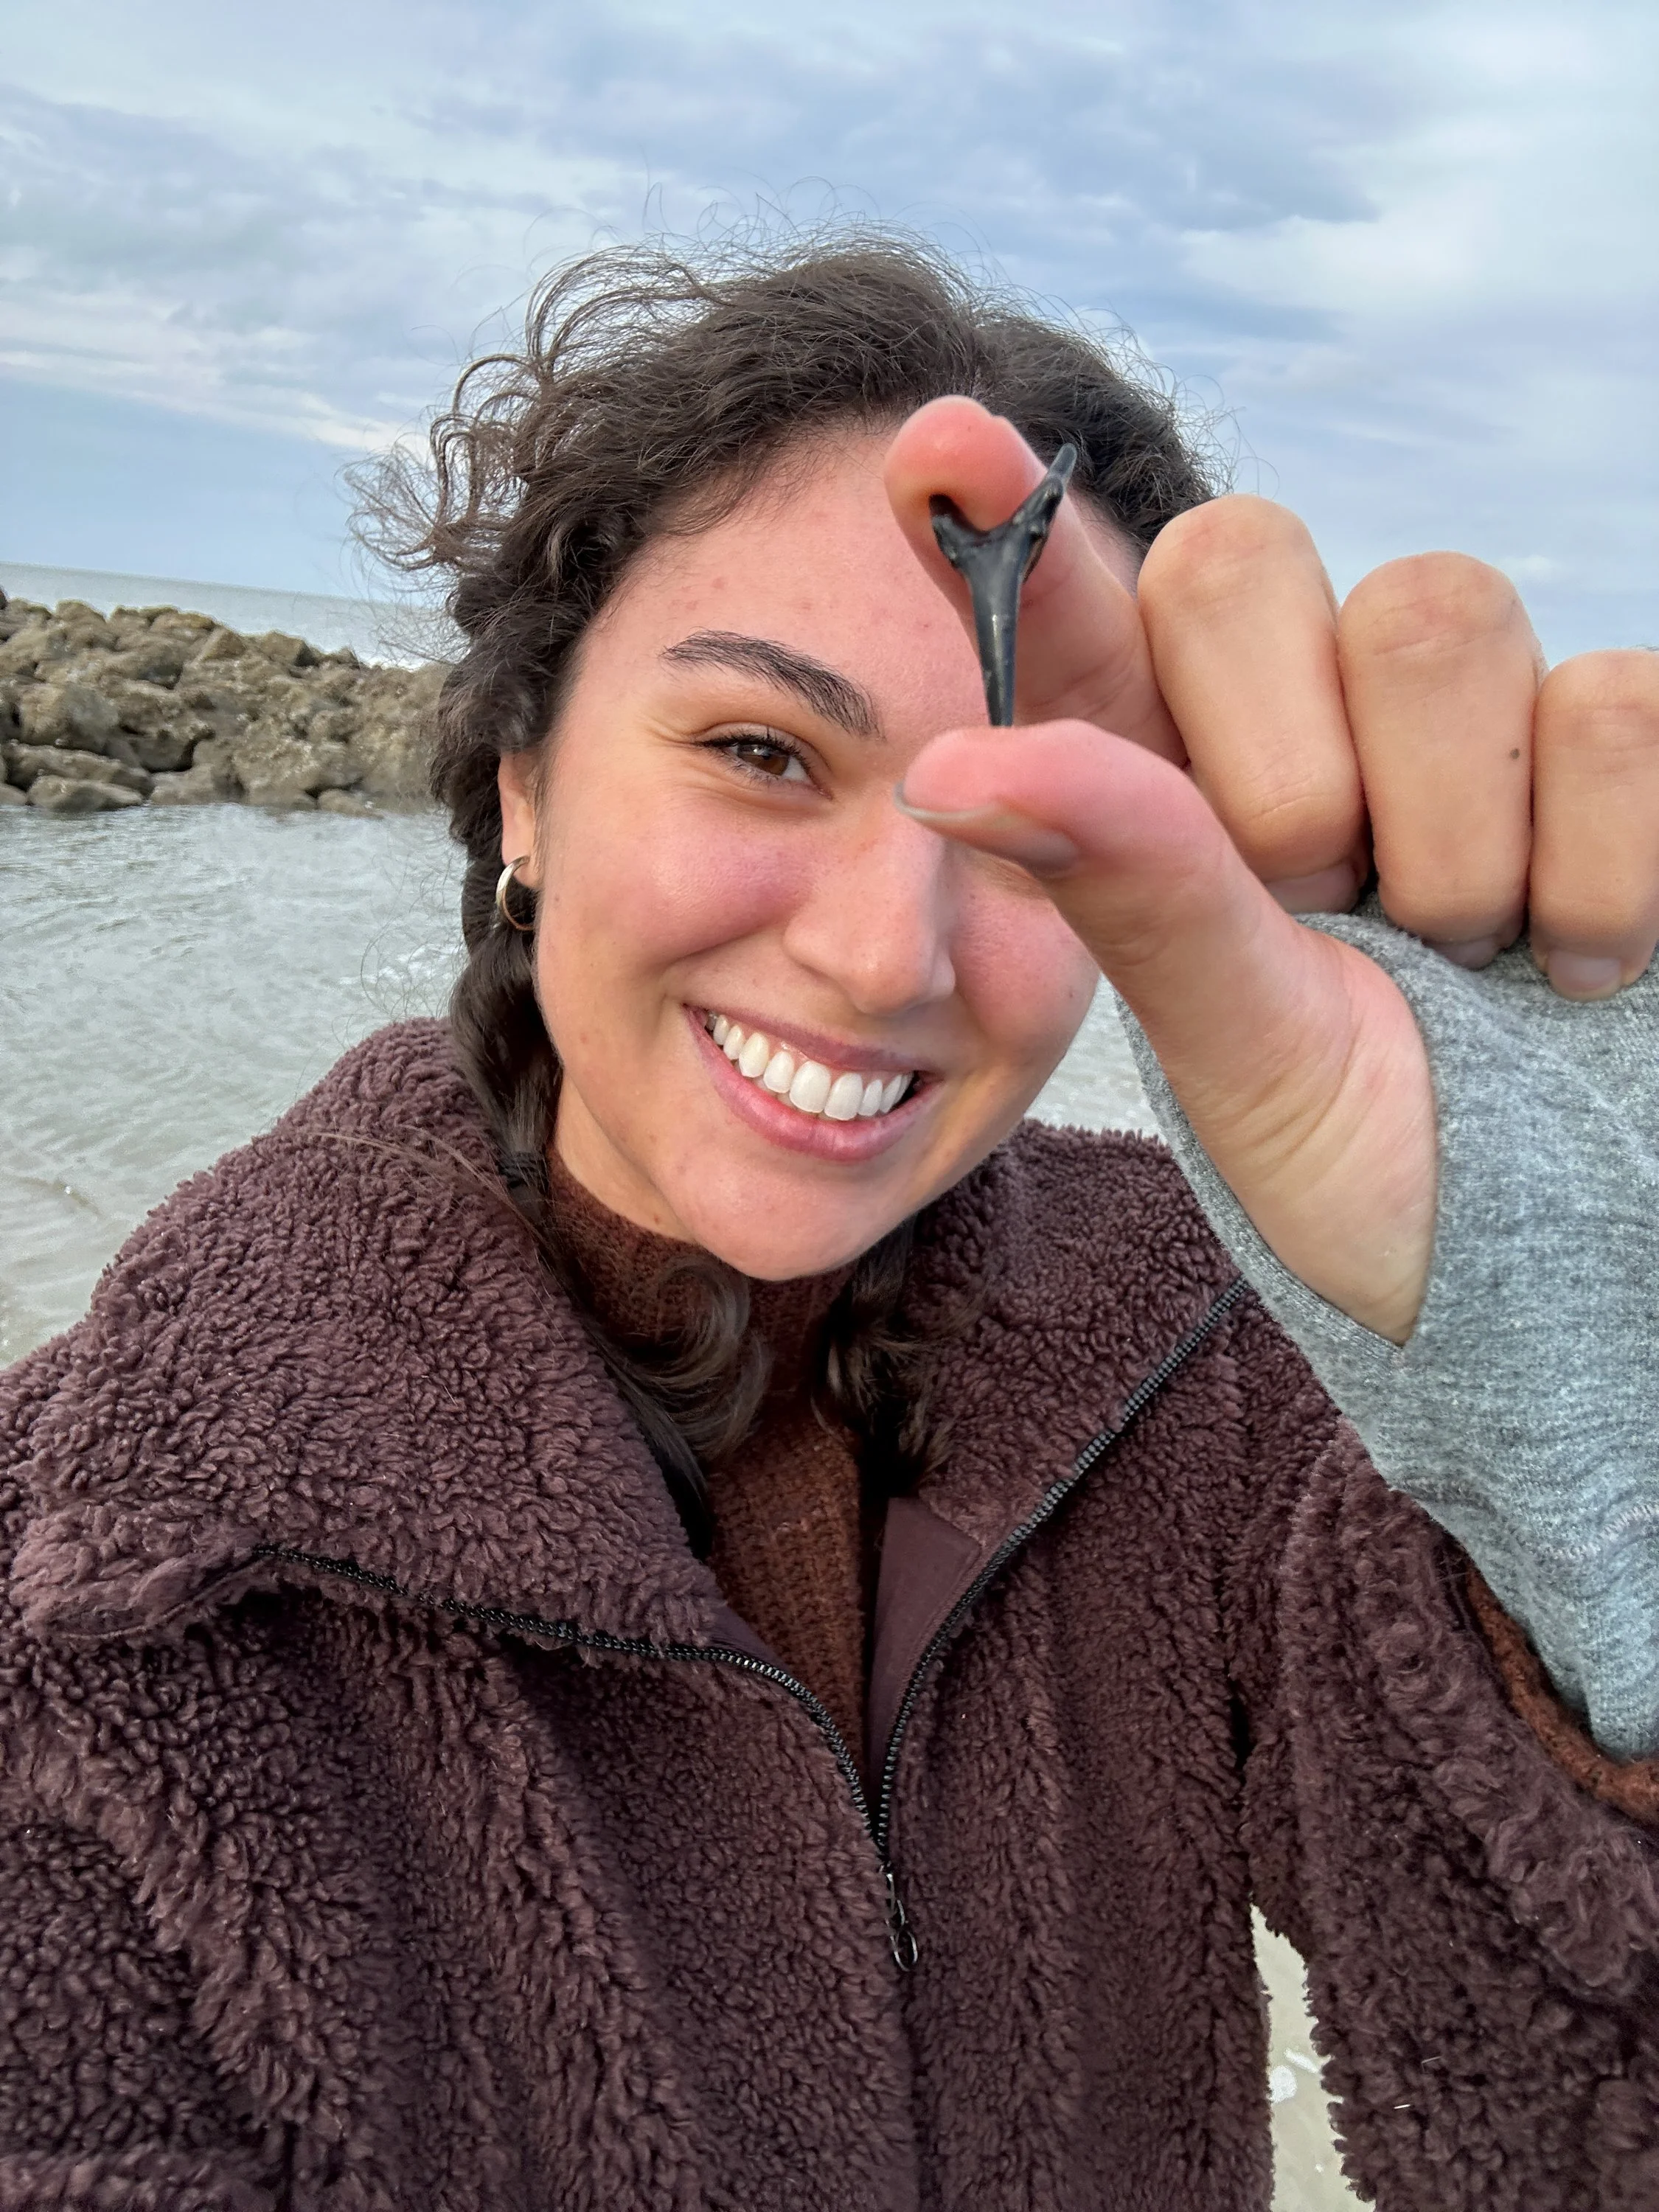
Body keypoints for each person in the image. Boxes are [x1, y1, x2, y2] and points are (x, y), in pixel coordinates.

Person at [2, 236, 1656, 2211]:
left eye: (1031, 824)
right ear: (522, 779)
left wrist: (1584, 1420)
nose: (888, 958)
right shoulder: (109, 1591)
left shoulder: (1244, 1397)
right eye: (764, 752)